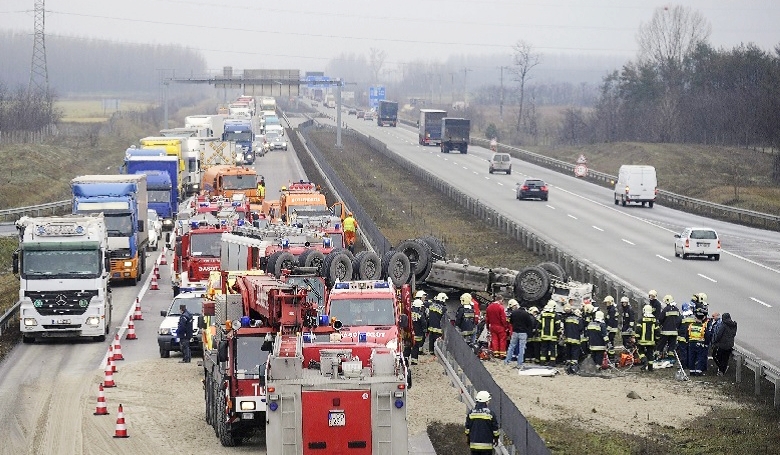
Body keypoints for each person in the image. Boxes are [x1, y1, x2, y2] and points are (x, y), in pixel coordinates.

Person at [505, 300, 534, 369]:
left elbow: (511, 322)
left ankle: (507, 361)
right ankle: (519, 363)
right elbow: (530, 323)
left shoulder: (514, 313)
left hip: (515, 332)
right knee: (522, 348)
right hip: (523, 333)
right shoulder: (525, 314)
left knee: (511, 346)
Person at [688, 307, 711, 376]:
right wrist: (706, 343)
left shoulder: (691, 325)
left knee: (691, 357)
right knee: (700, 357)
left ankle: (691, 371)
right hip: (700, 343)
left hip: (691, 343)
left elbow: (687, 334)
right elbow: (707, 336)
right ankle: (698, 371)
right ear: (702, 318)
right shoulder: (703, 327)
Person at [657, 295, 681, 360]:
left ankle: (658, 355)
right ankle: (671, 357)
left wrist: (659, 325)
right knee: (672, 345)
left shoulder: (666, 309)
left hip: (665, 331)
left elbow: (661, 319)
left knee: (661, 344)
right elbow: (679, 319)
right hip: (674, 332)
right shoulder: (676, 309)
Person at [635, 304, 658, 371]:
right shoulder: (654, 320)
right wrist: (657, 340)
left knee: (640, 350)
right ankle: (650, 368)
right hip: (651, 341)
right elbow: (657, 331)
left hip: (642, 341)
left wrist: (637, 339)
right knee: (650, 353)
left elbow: (638, 330)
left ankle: (644, 360)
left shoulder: (641, 320)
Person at [486, 295, 509, 359]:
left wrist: (487, 326)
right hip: (500, 326)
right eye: (502, 301)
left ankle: (495, 353)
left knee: (494, 339)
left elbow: (487, 319)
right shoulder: (500, 307)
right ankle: (502, 354)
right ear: (500, 300)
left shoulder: (489, 307)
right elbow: (503, 318)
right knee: (502, 339)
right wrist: (505, 326)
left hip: (492, 326)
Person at [539, 300, 559, 366]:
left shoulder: (542, 314)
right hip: (552, 336)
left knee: (544, 349)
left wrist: (539, 332)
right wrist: (558, 333)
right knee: (552, 350)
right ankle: (552, 363)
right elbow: (557, 326)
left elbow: (539, 324)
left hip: (544, 335)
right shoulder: (555, 315)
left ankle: (542, 362)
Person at [410, 298, 428, 365]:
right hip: (418, 333)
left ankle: (405, 359)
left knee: (408, 346)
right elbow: (423, 323)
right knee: (416, 346)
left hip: (410, 333)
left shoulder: (410, 312)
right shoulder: (420, 314)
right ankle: (414, 360)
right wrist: (425, 330)